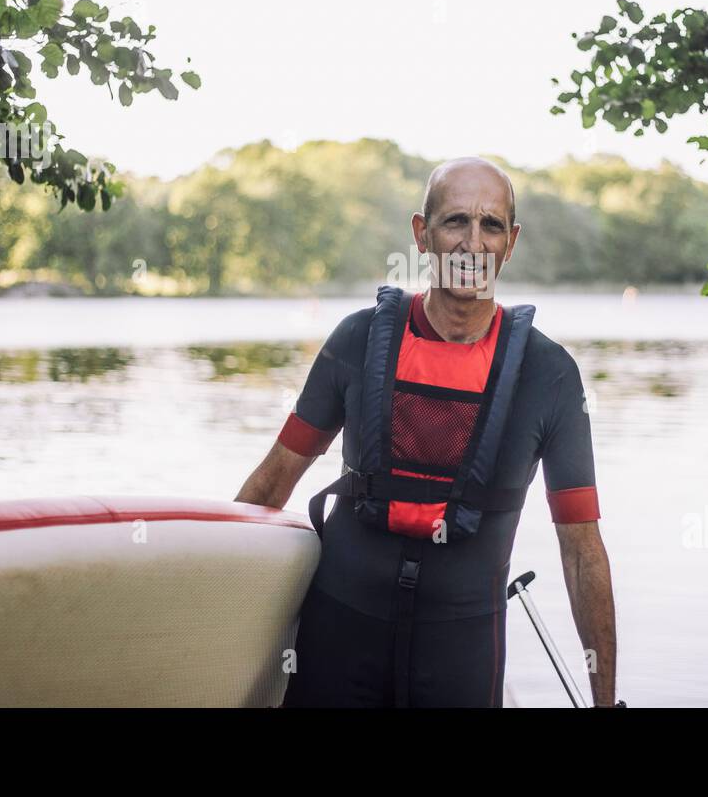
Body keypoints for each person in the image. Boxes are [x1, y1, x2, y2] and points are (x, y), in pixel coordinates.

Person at [235, 156, 618, 707]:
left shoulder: (548, 374)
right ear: (422, 234)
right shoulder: (356, 341)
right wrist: (206, 613)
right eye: (455, 221)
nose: (473, 243)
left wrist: (606, 700)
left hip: (462, 648)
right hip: (339, 633)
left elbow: (581, 548)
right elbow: (273, 482)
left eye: (491, 226)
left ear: (511, 243)